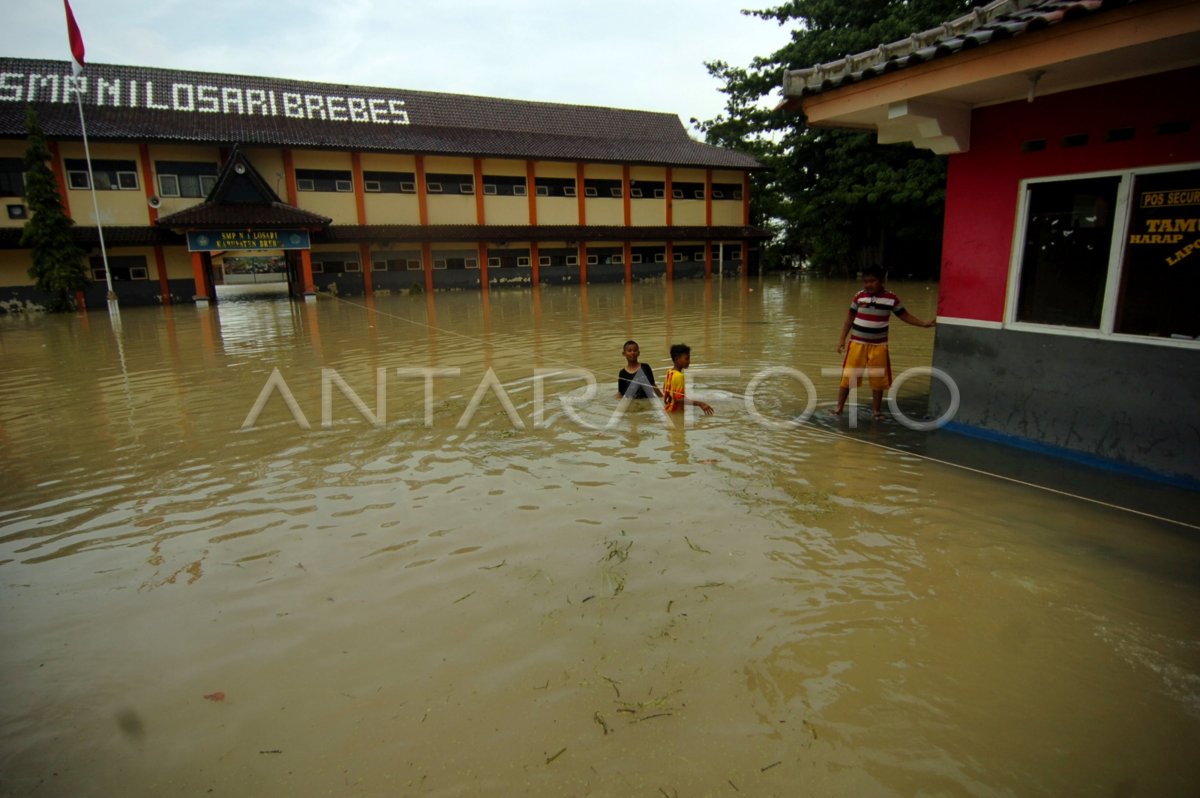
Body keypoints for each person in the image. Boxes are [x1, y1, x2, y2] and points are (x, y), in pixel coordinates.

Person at [833, 266, 935, 420]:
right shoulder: (859, 297)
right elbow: (849, 319)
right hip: (857, 344)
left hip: (879, 346)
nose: (868, 285)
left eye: (872, 281)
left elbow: (905, 316)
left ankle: (876, 411)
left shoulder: (891, 298)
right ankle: (838, 408)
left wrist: (924, 324)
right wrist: (842, 339)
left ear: (882, 281)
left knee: (878, 380)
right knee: (849, 377)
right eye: (865, 281)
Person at [662, 343, 714, 416]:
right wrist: (700, 404)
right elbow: (678, 400)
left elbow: (665, 390)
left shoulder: (670, 372)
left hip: (668, 411)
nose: (689, 361)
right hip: (676, 413)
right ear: (677, 359)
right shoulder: (679, 376)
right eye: (686, 358)